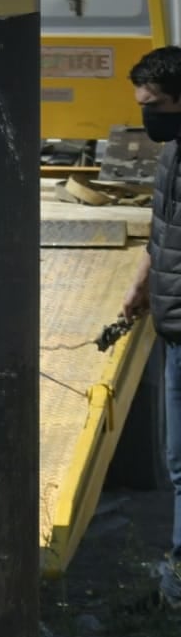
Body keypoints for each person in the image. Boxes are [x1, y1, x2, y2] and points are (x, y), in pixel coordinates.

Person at [121, 44, 181, 607]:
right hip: (172, 324)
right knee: (176, 463)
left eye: (156, 104)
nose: (148, 115)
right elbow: (161, 228)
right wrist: (142, 287)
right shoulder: (172, 155)